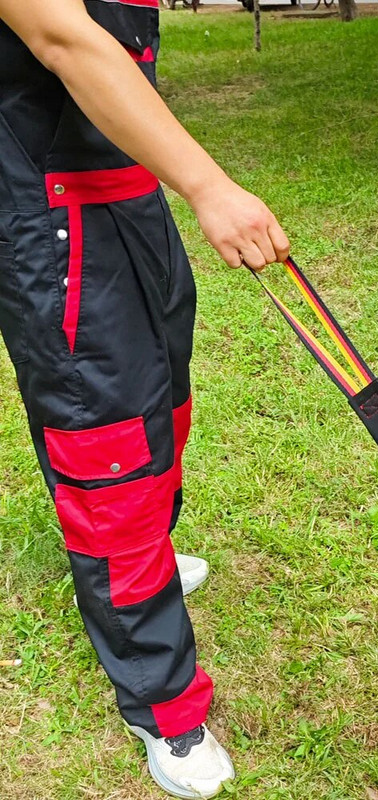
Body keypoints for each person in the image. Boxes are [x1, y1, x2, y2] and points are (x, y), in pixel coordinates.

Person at [0, 1, 289, 797]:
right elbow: (65, 39)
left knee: (164, 405)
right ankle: (159, 702)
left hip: (130, 197)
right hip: (51, 219)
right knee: (108, 445)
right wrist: (208, 184)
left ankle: (143, 564)